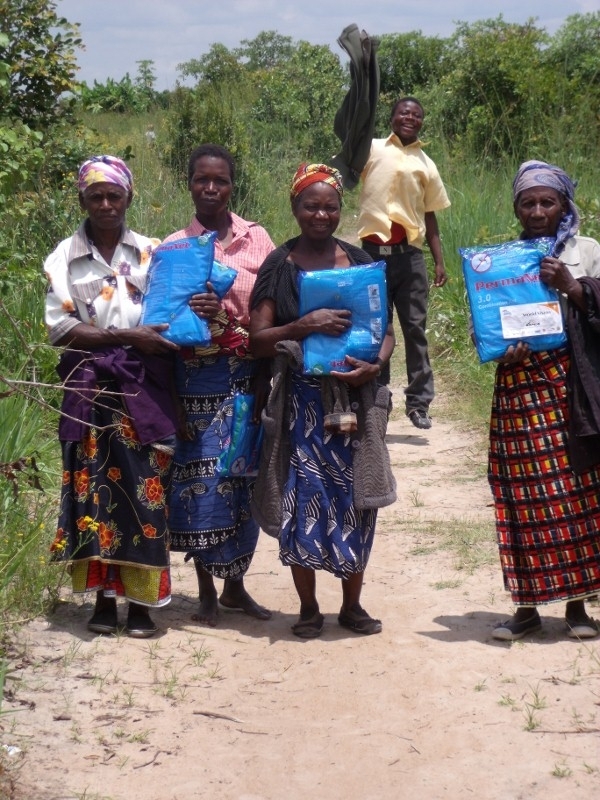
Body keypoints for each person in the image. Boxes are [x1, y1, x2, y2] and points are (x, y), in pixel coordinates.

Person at [249, 163, 396, 639]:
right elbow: (257, 340)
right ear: (294, 208)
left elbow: (386, 332)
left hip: (354, 401)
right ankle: (309, 608)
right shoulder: (279, 265)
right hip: (301, 408)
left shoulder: (361, 262)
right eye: (310, 206)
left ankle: (352, 606)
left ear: (340, 210)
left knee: (357, 502)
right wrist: (302, 326)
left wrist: (375, 365)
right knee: (301, 501)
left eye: (330, 206)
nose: (321, 214)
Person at [45, 155, 180, 638]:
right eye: (95, 196)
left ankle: (141, 603)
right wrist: (125, 337)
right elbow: (61, 328)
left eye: (114, 195)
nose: (105, 204)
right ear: (82, 200)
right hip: (90, 388)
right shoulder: (64, 257)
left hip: (140, 386)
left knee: (145, 491)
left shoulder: (152, 252)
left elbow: (170, 313)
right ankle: (103, 600)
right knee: (91, 492)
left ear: (129, 197)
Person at [164, 143, 275, 628]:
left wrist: (233, 321)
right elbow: (161, 322)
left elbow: (274, 307)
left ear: (233, 185)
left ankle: (235, 587)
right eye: (201, 179)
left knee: (242, 479)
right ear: (189, 184)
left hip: (246, 376)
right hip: (194, 382)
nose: (211, 188)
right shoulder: (173, 247)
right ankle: (206, 590)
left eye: (220, 180)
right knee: (201, 484)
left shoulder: (258, 240)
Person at [490, 160, 600, 642]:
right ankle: (527, 607)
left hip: (572, 384)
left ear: (564, 205)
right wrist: (501, 348)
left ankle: (578, 607)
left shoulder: (588, 251)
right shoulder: (501, 260)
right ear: (516, 208)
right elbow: (486, 321)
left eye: (547, 202)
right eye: (527, 203)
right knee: (522, 494)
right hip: (519, 384)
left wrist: (572, 286)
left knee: (577, 492)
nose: (537, 212)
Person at [357, 96, 450, 430]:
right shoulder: (371, 148)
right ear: (392, 118)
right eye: (403, 112)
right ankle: (377, 399)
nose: (409, 117)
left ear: (422, 121)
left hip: (410, 259)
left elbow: (430, 216)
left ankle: (419, 404)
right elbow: (348, 171)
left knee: (414, 329)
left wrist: (439, 261)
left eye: (416, 114)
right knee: (376, 329)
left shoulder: (426, 164)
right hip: (371, 257)